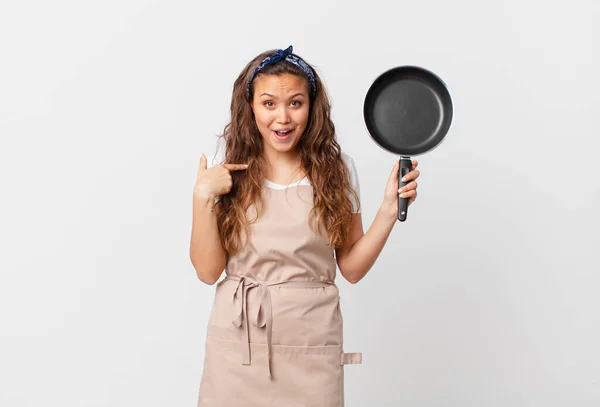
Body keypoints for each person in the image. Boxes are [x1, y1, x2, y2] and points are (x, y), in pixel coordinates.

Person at [190, 45, 420, 406]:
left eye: (295, 103)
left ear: (312, 107)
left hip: (311, 344)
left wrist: (389, 210)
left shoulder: (337, 170)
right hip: (238, 347)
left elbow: (352, 268)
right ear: (249, 106)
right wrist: (202, 197)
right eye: (269, 104)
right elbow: (208, 271)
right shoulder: (227, 169)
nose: (282, 117)